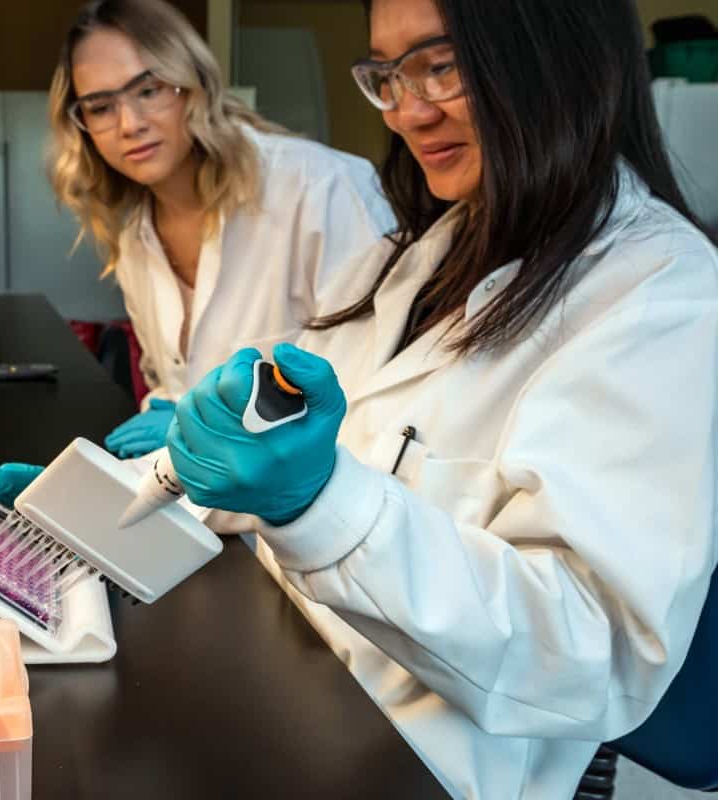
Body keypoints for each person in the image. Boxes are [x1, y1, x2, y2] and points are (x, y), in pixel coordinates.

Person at [156, 0, 718, 797]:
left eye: (440, 65)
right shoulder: (412, 254)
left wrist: (318, 504)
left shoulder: (660, 292)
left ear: (559, 53)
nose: (409, 111)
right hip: (292, 692)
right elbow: (277, 454)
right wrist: (146, 476)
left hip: (424, 770)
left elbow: (593, 653)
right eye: (387, 74)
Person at [47, 0, 393, 460]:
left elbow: (377, 393)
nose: (129, 124)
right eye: (101, 107)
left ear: (194, 86)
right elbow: (172, 387)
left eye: (148, 90)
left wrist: (208, 427)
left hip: (313, 517)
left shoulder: (323, 189)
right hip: (204, 508)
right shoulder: (136, 238)